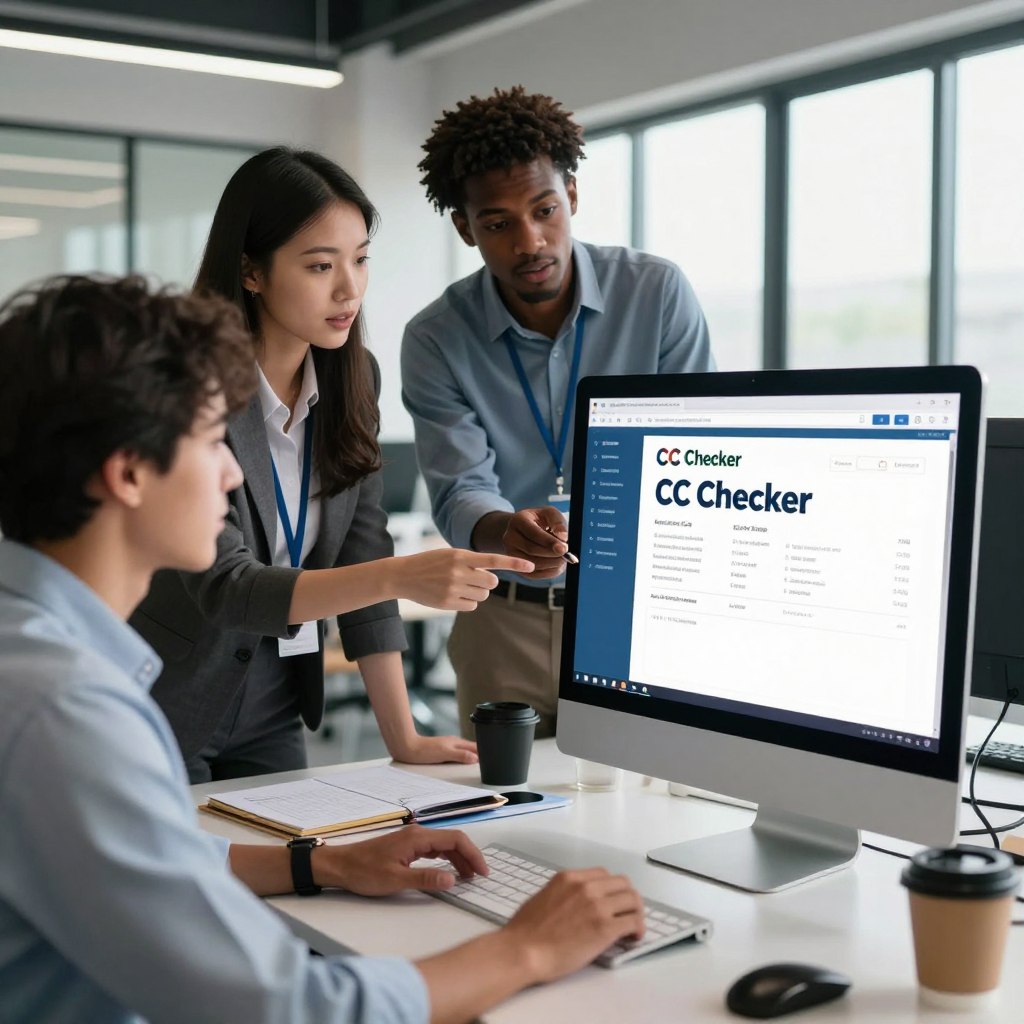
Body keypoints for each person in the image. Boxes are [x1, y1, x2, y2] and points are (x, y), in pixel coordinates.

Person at [0, 274, 646, 1024]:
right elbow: (288, 1009)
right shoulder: (69, 714)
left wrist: (322, 862)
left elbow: (140, 868)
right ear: (129, 473)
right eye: (211, 441)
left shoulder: (33, 656)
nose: (233, 471)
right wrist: (526, 948)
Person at [131, 147, 531, 783]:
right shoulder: (186, 385)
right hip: (168, 698)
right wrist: (400, 576)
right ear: (251, 271)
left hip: (274, 700)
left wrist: (404, 737)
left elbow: (361, 547)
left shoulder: (353, 376)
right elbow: (229, 585)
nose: (350, 289)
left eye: (361, 259)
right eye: (321, 266)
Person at [402, 87, 715, 738]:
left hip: (636, 614)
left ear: (571, 194)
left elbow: (700, 450)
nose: (530, 241)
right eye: (497, 224)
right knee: (500, 799)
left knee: (645, 795)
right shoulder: (436, 337)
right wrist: (505, 531)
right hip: (502, 620)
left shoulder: (656, 294)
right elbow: (459, 488)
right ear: (465, 228)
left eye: (544, 210)